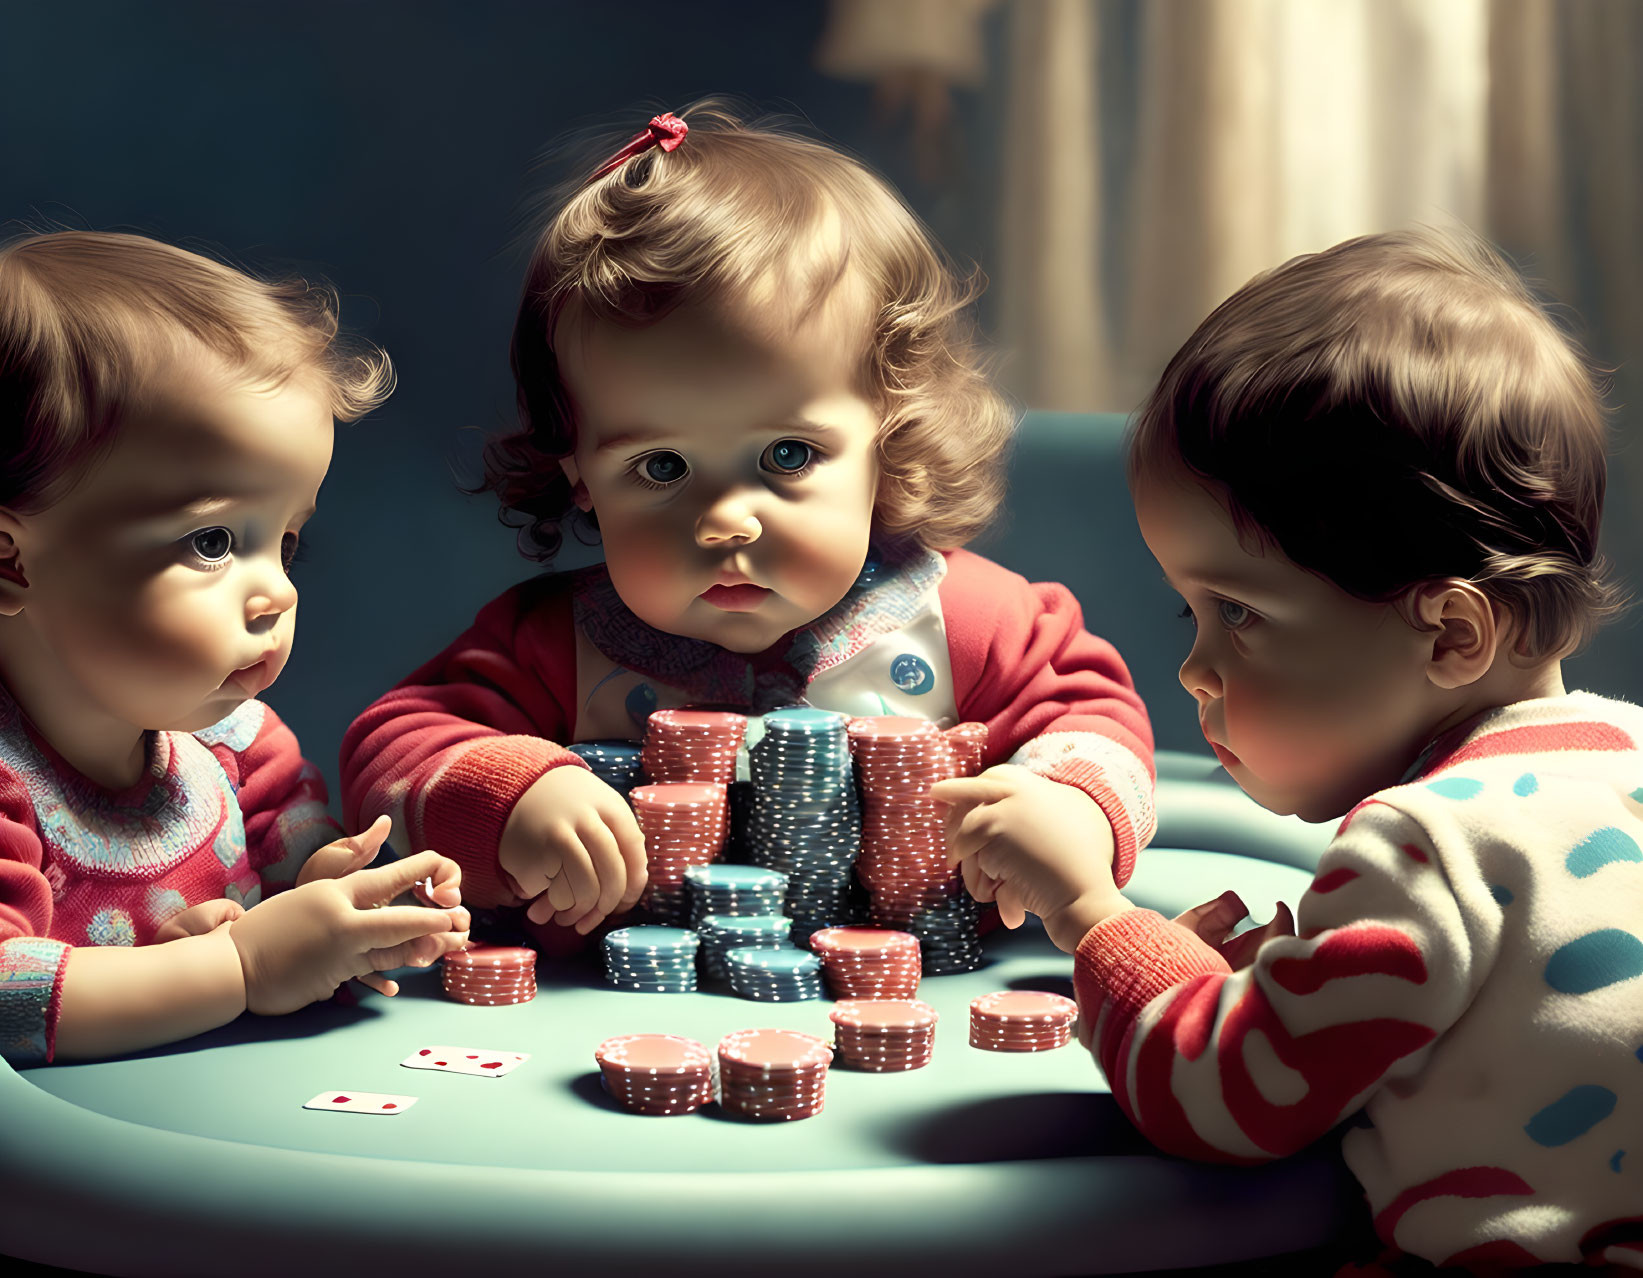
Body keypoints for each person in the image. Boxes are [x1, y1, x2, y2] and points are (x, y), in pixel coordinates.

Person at [934, 224, 1643, 1273]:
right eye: (1191, 618)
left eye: (1240, 616)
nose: (1194, 672)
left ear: (1449, 634)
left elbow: (1223, 1104)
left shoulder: (1420, 849)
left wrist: (1090, 911)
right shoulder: (1622, 755)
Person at [340, 101, 1155, 946]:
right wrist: (505, 794)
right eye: (661, 468)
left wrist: (1073, 809)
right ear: (580, 476)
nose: (726, 521)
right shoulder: (549, 646)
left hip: (917, 1024)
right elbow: (387, 747)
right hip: (609, 1034)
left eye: (789, 456)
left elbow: (1099, 724)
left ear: (887, 436)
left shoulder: (976, 624)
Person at [0, 231, 471, 1068]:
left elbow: (294, 877)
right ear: (11, 559)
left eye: (285, 542)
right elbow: (7, 999)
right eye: (213, 541)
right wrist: (238, 966)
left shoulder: (239, 746)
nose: (277, 592)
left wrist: (343, 897)